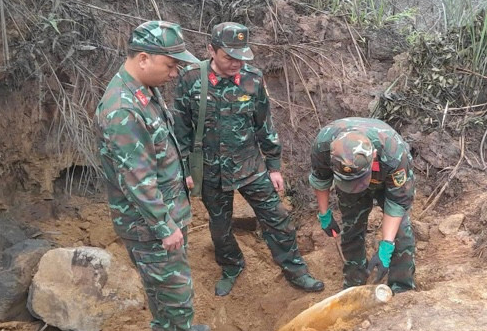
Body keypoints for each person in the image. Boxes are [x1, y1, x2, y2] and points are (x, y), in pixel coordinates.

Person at [96, 21, 229, 331]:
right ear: (143, 58)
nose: (174, 74)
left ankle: (166, 328)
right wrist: (164, 224)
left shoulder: (142, 89)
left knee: (158, 280)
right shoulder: (123, 110)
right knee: (174, 284)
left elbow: (158, 146)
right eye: (169, 65)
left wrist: (180, 176)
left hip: (164, 208)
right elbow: (137, 180)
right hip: (149, 221)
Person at [174, 22, 324, 297]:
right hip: (210, 171)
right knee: (220, 228)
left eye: (241, 57)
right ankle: (232, 265)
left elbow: (264, 125)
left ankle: (296, 270)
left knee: (277, 218)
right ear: (211, 50)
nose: (236, 63)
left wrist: (274, 166)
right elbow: (181, 128)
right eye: (229, 57)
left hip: (250, 166)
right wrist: (185, 169)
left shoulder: (253, 78)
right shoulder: (191, 78)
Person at [309, 117, 416, 294]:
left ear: (373, 155)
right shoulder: (323, 145)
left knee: (401, 232)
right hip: (347, 183)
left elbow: (397, 203)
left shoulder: (394, 153)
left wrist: (386, 246)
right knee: (352, 228)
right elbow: (321, 179)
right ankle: (354, 283)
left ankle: (401, 288)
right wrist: (324, 214)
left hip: (385, 179)